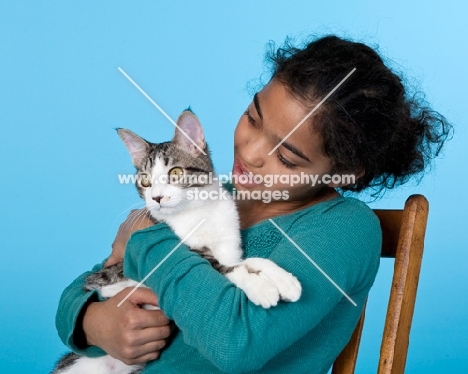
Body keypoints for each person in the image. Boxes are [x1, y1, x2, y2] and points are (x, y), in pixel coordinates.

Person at [55, 35, 451, 373]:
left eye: (288, 157)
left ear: (341, 172)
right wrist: (96, 322)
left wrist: (145, 240)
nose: (252, 152)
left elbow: (235, 343)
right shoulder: (207, 192)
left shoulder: (345, 229)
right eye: (253, 118)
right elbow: (74, 299)